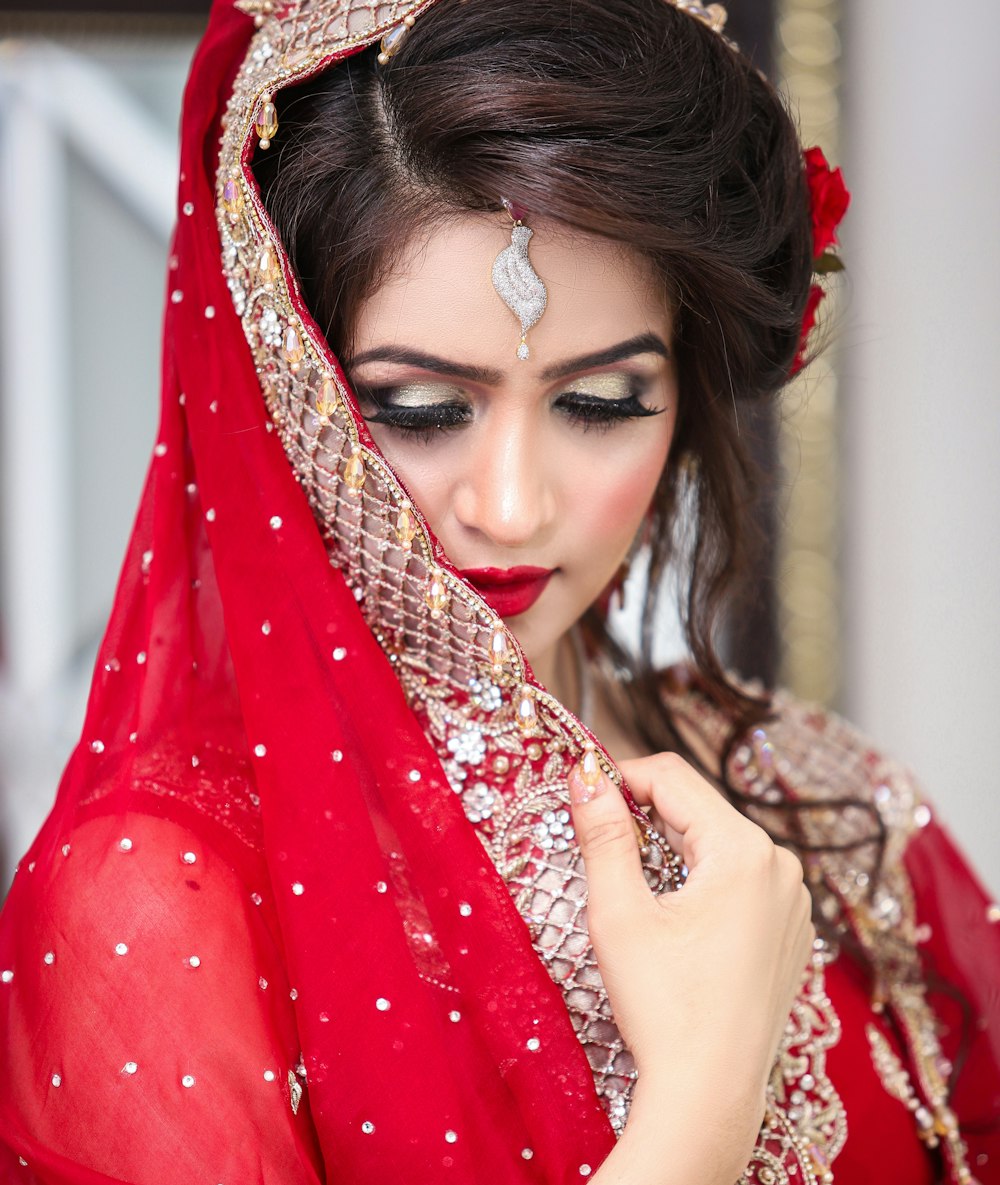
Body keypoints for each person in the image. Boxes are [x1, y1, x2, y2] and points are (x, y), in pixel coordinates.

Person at [0, 0, 997, 1182]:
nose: (510, 504)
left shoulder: (824, 800)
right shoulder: (159, 903)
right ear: (281, 393)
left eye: (601, 402)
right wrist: (699, 1104)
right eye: (421, 412)